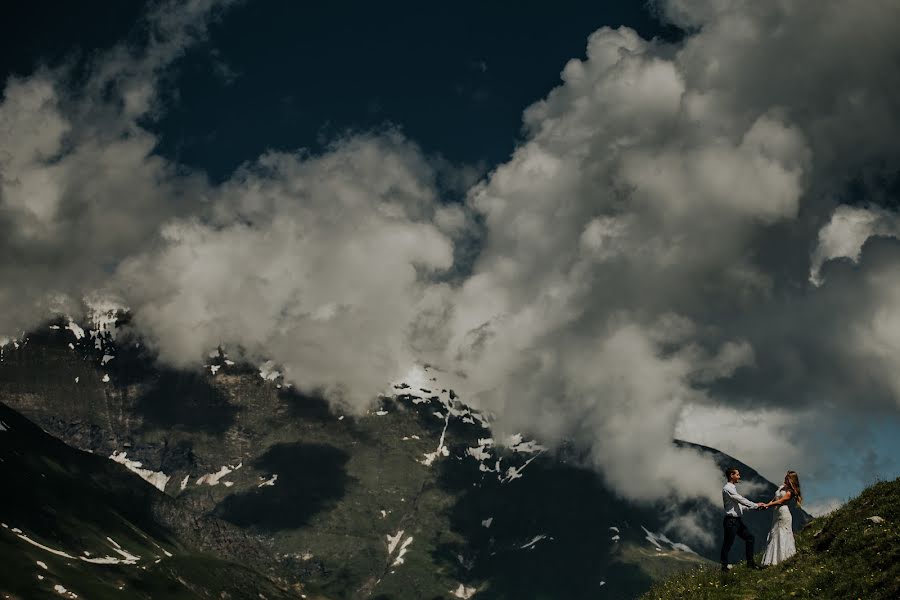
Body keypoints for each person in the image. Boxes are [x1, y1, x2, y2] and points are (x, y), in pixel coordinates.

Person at [720, 467, 765, 571]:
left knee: (750, 538)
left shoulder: (732, 488)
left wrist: (756, 505)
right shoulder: (728, 488)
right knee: (728, 543)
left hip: (737, 521)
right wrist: (755, 506)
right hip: (731, 521)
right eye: (737, 474)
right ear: (731, 475)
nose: (739, 477)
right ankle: (724, 567)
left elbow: (739, 506)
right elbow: (740, 500)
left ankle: (750, 564)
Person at [760, 470, 802, 566]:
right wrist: (767, 505)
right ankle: (772, 559)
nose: (785, 479)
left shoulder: (790, 492)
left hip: (783, 513)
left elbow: (781, 501)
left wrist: (768, 505)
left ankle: (782, 558)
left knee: (782, 533)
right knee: (774, 533)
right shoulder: (781, 488)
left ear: (791, 480)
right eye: (785, 477)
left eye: (787, 478)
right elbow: (775, 499)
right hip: (776, 513)